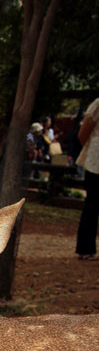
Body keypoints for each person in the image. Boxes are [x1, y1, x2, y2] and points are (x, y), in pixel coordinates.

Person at [75, 97, 99, 260]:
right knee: (92, 205)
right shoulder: (97, 104)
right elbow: (83, 134)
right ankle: (85, 248)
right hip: (95, 164)